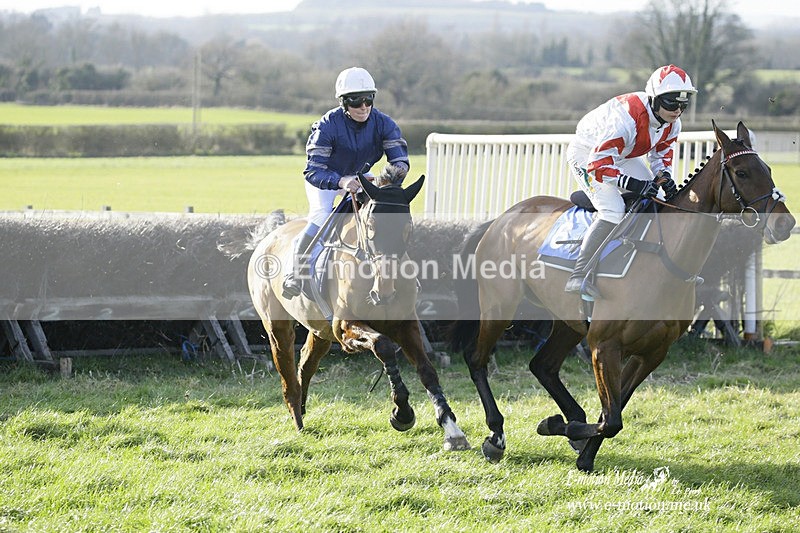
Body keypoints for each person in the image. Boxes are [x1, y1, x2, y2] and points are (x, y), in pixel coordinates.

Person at [564, 64, 697, 298]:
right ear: (655, 99)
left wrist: (663, 176)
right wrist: (636, 185)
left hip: (622, 155)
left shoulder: (673, 123)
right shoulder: (626, 119)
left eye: (683, 104)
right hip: (589, 154)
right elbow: (599, 166)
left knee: (661, 198)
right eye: (671, 103)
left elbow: (660, 156)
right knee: (613, 209)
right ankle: (578, 275)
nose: (677, 110)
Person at [282, 66, 410, 299]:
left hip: (362, 178)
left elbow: (399, 161)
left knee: (385, 218)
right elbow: (313, 171)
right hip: (326, 179)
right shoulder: (327, 125)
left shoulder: (384, 123)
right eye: (355, 101)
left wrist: (384, 180)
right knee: (321, 215)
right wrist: (341, 181)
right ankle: (295, 272)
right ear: (343, 102)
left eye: (368, 100)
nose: (363, 107)